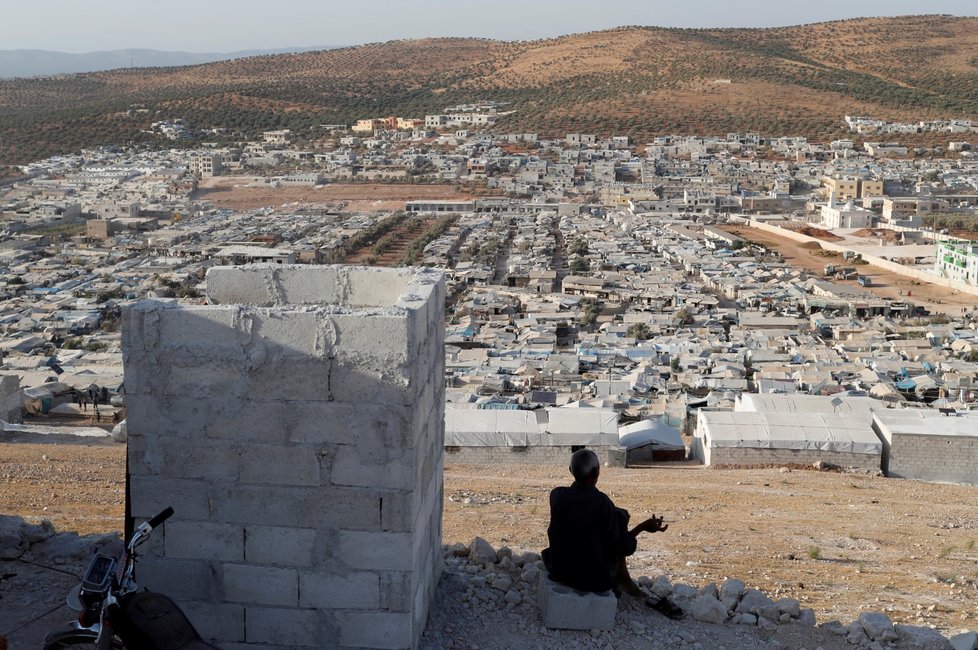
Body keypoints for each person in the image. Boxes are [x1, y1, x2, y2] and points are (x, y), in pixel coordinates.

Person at [542, 449, 680, 616]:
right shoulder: (602, 503)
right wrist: (642, 527)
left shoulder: (557, 495)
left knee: (618, 515)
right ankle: (623, 579)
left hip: (558, 570)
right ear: (596, 472)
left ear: (571, 471)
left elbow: (582, 509)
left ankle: (624, 579)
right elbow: (622, 547)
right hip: (592, 579)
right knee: (619, 518)